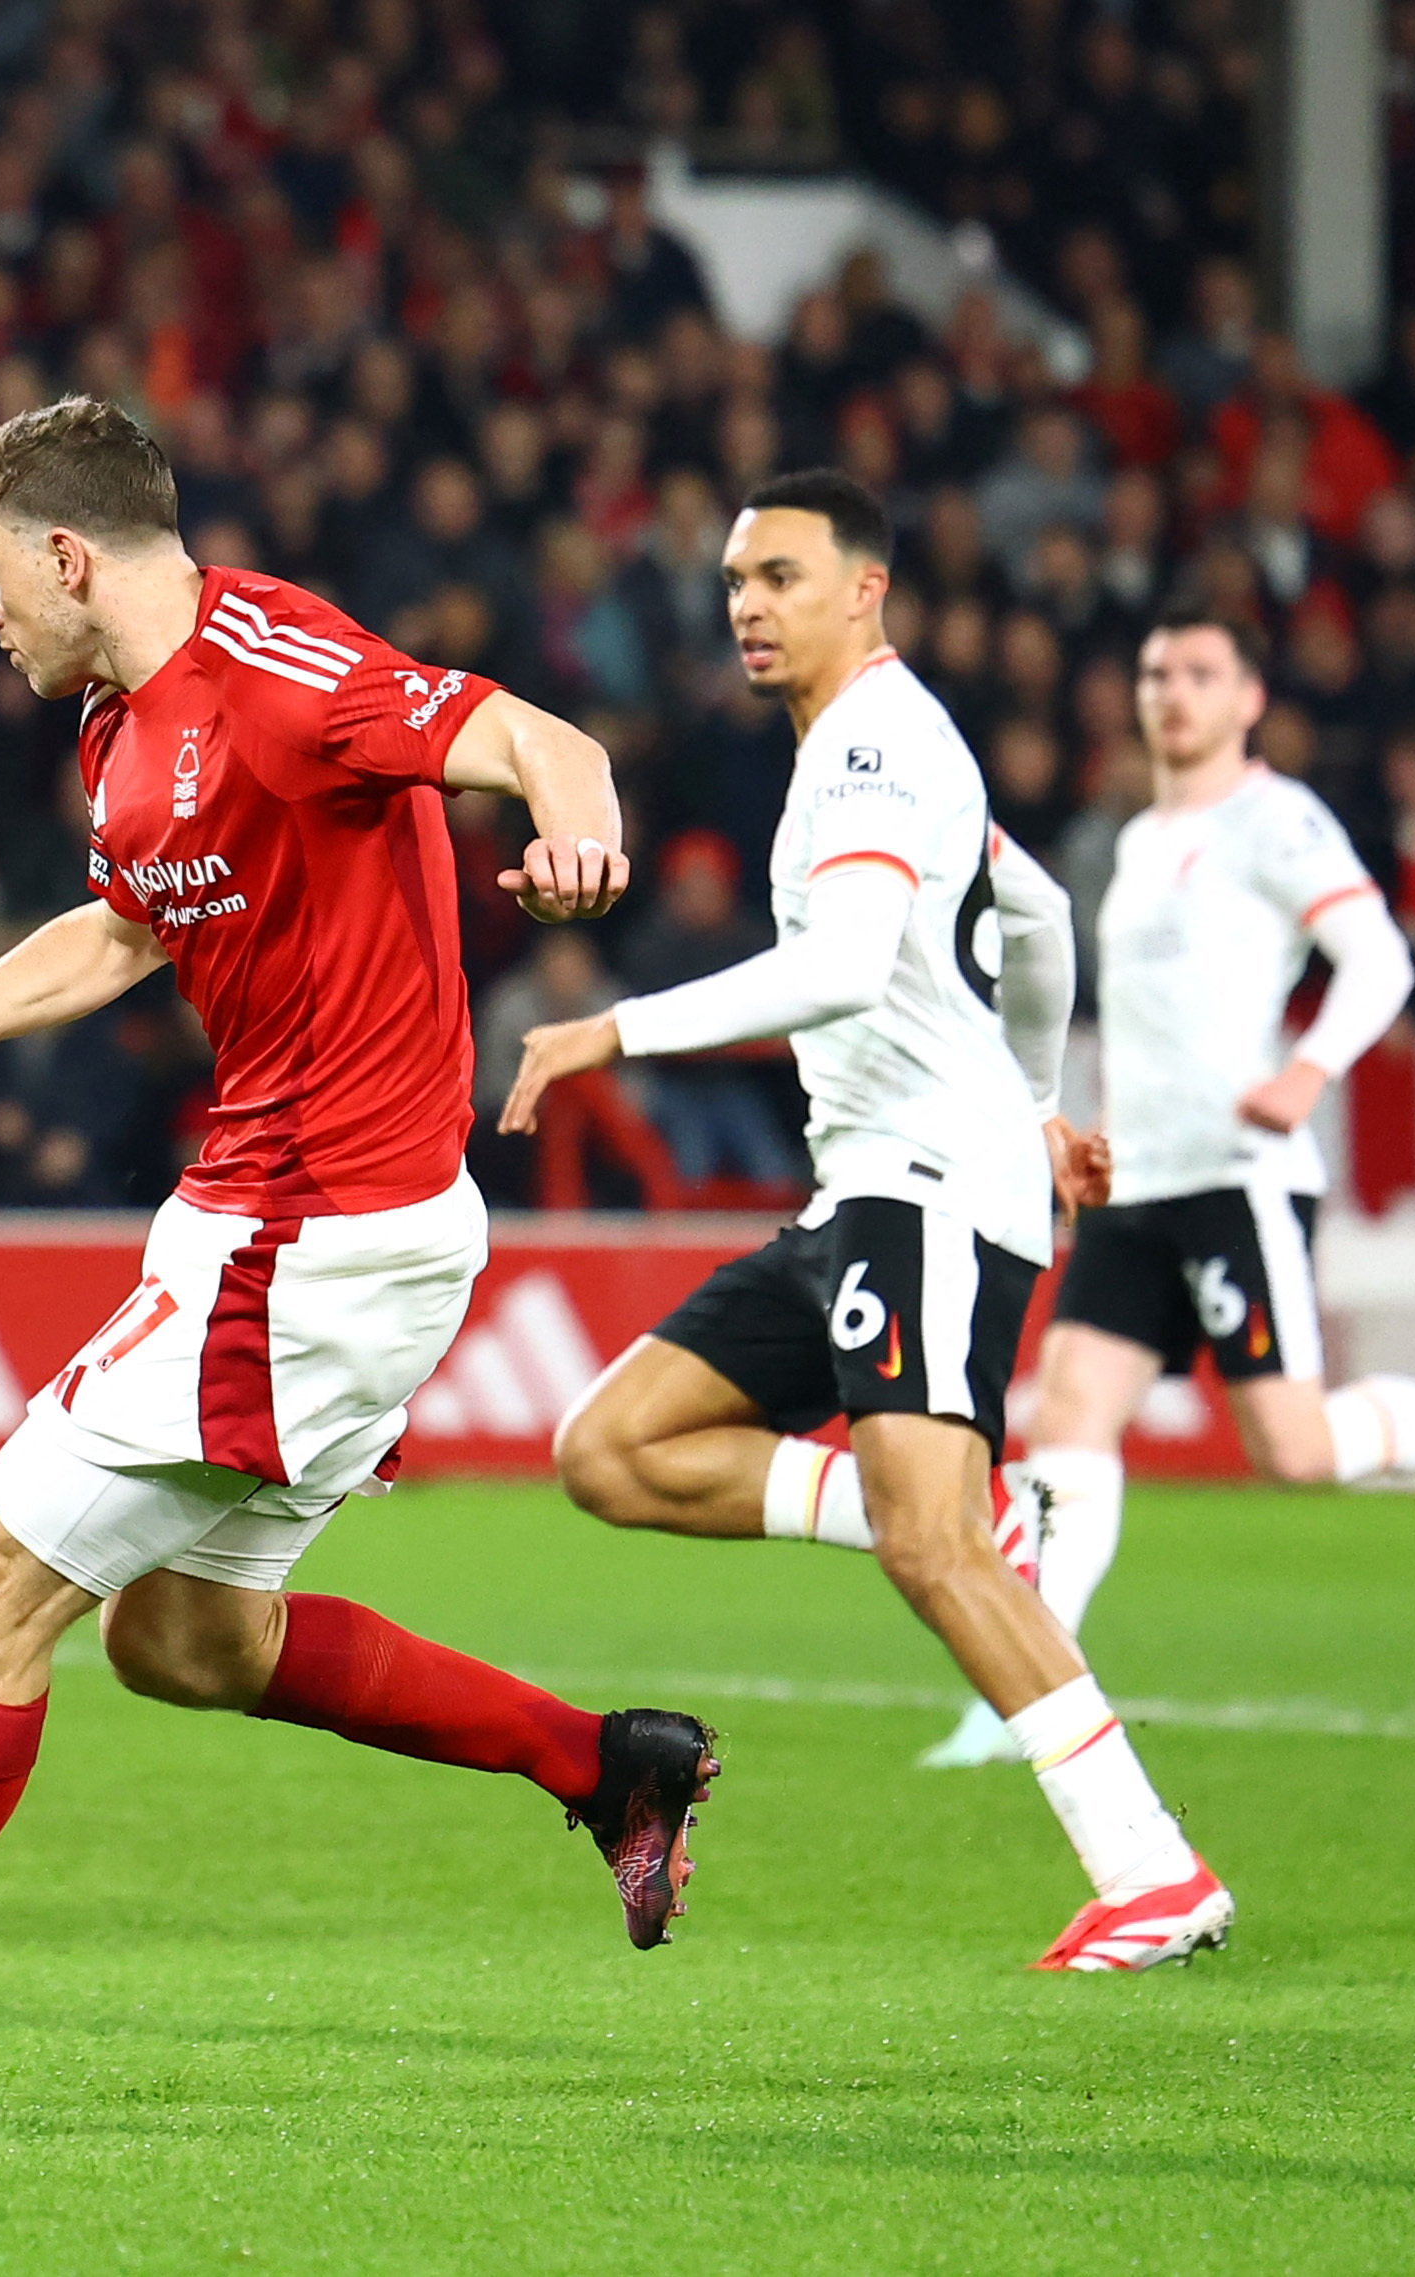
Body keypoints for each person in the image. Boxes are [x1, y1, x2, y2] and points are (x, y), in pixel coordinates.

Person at [0, 395, 710, 2120]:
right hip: (307, 1228)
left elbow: (541, 738)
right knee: (183, 1642)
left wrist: (577, 835)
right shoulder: (117, 719)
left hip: (307, 1238)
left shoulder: (285, 676)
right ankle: (604, 1765)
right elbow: (122, 929)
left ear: (64, 555)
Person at [503, 469, 1228, 1975]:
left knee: (928, 1550)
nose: (747, 606)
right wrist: (1036, 1101)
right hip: (875, 1191)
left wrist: (613, 1028)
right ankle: (980, 1519)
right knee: (610, 1448)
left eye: (779, 576)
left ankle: (1149, 1870)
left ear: (864, 588)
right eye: (733, 582)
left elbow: (838, 969)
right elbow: (1037, 919)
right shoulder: (871, 744)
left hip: (929, 1190)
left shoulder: (873, 746)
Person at [923, 612, 1415, 1770]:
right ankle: (1027, 1689)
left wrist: (1308, 1070)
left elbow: (1380, 956)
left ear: (1249, 699)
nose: (1173, 692)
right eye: (1156, 672)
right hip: (1137, 1179)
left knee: (1294, 1447)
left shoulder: (1278, 818)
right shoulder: (1138, 838)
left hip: (1236, 1178)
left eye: (1200, 673)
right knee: (1070, 1415)